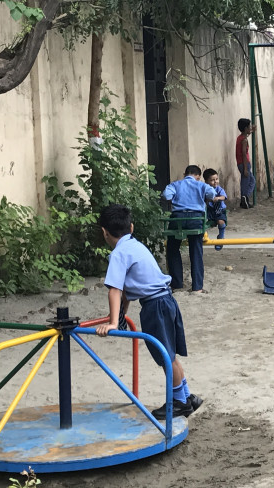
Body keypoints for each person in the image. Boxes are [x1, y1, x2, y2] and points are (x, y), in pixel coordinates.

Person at [95, 204, 202, 420]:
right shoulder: (136, 246)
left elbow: (115, 290)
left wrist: (113, 322)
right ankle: (186, 396)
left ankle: (179, 402)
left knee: (165, 356)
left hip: (155, 307)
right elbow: (126, 291)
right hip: (167, 301)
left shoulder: (118, 254)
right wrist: (121, 315)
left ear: (104, 232)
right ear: (131, 227)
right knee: (169, 354)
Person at [164, 165, 217, 293]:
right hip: (196, 219)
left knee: (172, 248)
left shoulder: (175, 184)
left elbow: (166, 195)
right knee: (196, 250)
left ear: (185, 174)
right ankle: (197, 287)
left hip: (178, 219)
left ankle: (177, 285)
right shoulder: (201, 185)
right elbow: (212, 194)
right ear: (198, 176)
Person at [202, 168, 228, 251]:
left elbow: (224, 197)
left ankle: (221, 237)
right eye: (212, 180)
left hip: (219, 210)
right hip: (209, 210)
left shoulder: (219, 189)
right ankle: (203, 235)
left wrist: (218, 198)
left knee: (221, 222)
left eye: (216, 179)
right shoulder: (204, 189)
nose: (215, 181)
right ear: (206, 181)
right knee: (203, 222)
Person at [235, 118, 255, 208]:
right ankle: (245, 197)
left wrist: (252, 131)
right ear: (245, 128)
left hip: (240, 163)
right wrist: (246, 168)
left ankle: (244, 200)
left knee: (246, 181)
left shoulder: (240, 137)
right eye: (249, 127)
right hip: (244, 163)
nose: (250, 128)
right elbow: (244, 153)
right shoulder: (244, 140)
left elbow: (246, 134)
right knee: (250, 181)